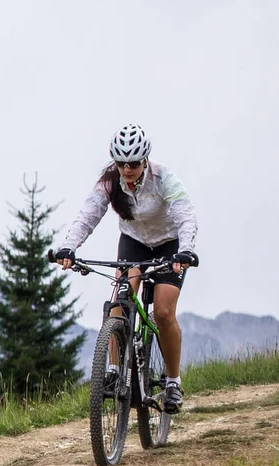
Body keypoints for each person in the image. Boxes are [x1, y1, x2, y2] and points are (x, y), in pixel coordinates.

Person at [50, 123, 199, 414]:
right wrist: (69, 247)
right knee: (118, 304)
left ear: (144, 160)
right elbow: (88, 214)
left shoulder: (164, 177)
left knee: (164, 312)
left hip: (170, 246)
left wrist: (186, 250)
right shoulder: (109, 181)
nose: (127, 169)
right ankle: (116, 371)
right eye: (121, 163)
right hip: (134, 243)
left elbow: (185, 215)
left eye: (133, 163)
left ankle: (172, 382)